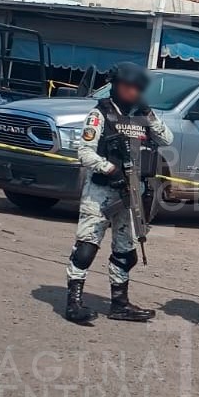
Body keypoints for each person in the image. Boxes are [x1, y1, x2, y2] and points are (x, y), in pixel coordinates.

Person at [64, 62, 174, 324]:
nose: (132, 92)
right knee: (86, 249)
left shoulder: (141, 115)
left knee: (126, 252)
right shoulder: (99, 114)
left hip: (131, 193)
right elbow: (85, 152)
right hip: (101, 191)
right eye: (127, 87)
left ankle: (120, 304)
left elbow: (167, 139)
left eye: (137, 88)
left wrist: (150, 115)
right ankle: (73, 303)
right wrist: (109, 168)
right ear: (115, 85)